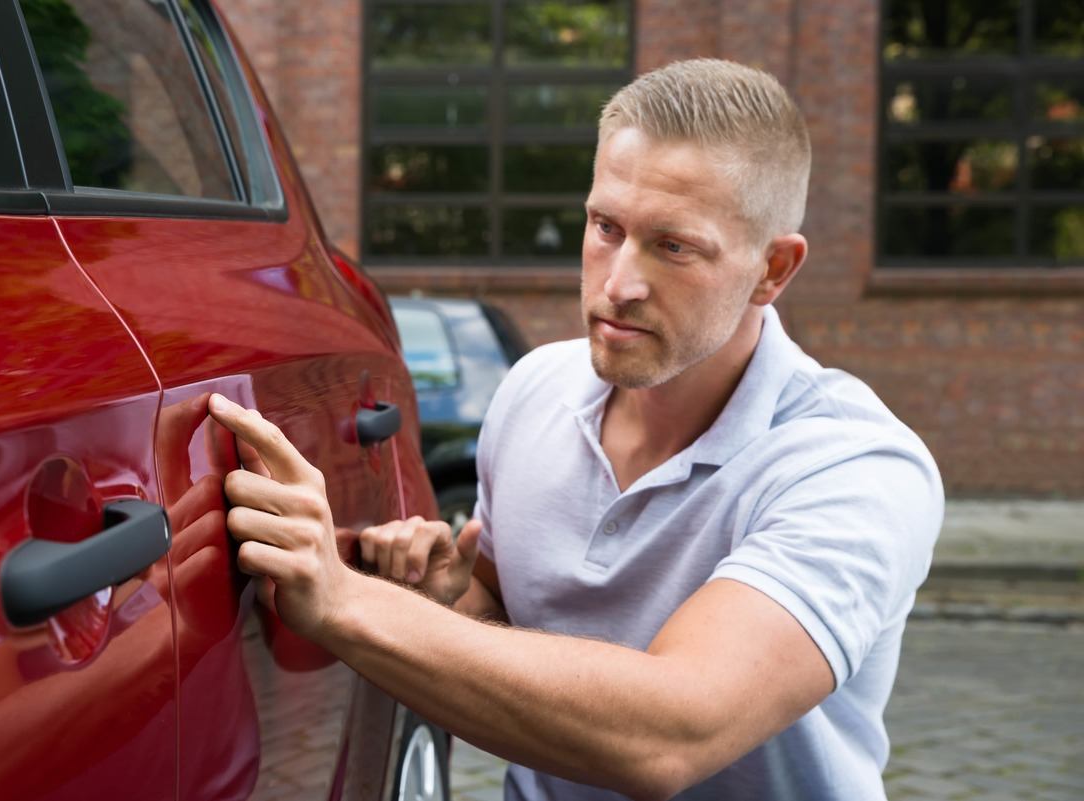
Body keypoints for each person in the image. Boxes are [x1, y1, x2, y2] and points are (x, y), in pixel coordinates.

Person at [206, 58, 944, 801]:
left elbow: (670, 733)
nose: (619, 282)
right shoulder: (533, 391)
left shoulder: (854, 468)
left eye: (674, 246)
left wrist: (346, 602)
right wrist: (442, 597)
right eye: (605, 226)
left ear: (772, 268)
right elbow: (504, 615)